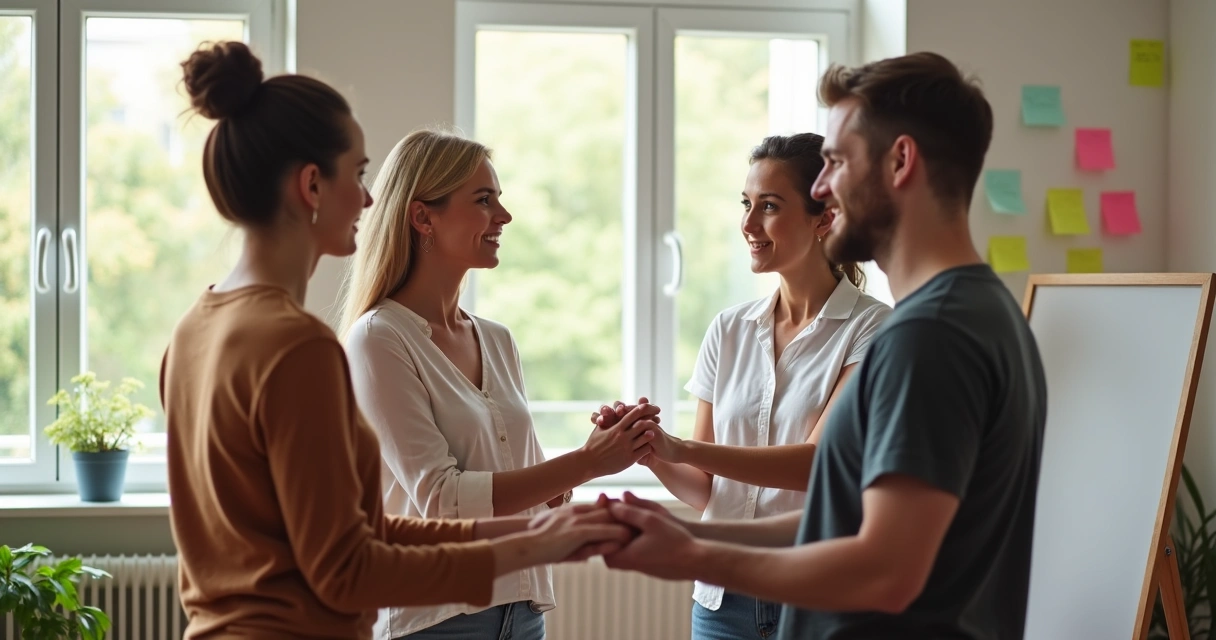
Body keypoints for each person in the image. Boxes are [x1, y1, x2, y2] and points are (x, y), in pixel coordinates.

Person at [160, 42, 631, 640]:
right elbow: (348, 572)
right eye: (357, 174)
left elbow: (360, 532)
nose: (366, 198)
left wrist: (540, 535)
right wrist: (526, 546)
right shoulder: (299, 345)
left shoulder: (195, 327)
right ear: (311, 185)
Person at [599, 51, 1047, 640]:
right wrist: (690, 533)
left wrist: (690, 556)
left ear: (900, 161)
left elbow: (885, 571)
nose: (821, 188)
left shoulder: (927, 336)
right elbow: (841, 523)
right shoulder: (980, 311)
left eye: (835, 162)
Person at [340, 128, 658, 639]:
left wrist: (602, 446)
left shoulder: (497, 339)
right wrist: (588, 461)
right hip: (434, 619)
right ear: (423, 216)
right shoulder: (378, 339)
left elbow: (529, 492)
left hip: (522, 611)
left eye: (499, 200)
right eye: (483, 200)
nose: (503, 217)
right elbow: (442, 501)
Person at [597, 133, 890, 640]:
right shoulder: (727, 329)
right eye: (746, 205)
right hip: (721, 600)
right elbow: (708, 490)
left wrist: (682, 446)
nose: (748, 225)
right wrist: (648, 448)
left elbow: (817, 465)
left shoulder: (874, 329)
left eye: (770, 207)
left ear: (825, 219)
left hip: (816, 595)